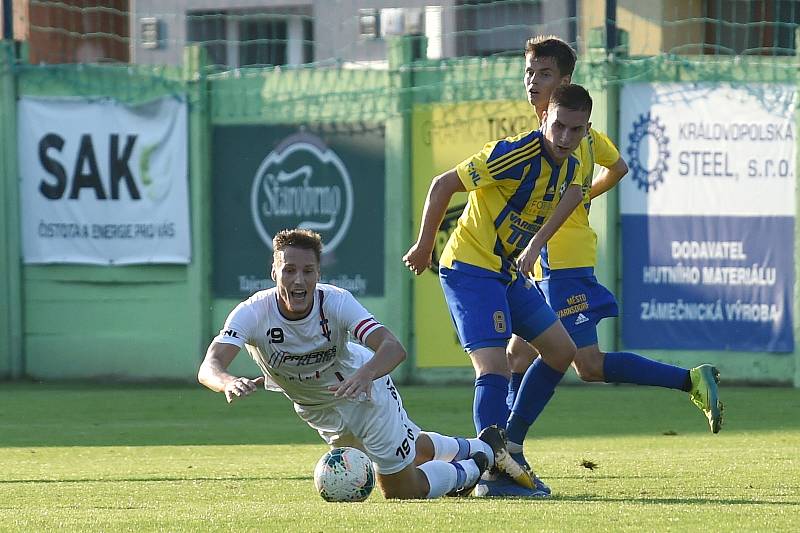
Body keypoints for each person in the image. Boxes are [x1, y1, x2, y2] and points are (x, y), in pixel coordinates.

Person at [503, 36, 723, 495]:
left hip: (563, 263)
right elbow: (618, 166)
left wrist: (572, 203)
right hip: (550, 264)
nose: (532, 81)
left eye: (544, 74)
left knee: (585, 363)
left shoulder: (566, 136)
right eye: (529, 72)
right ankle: (501, 449)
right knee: (518, 355)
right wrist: (583, 197)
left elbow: (607, 171)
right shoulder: (570, 130)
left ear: (564, 81)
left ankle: (508, 446)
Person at [198, 228, 528, 499]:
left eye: (307, 271)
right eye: (289, 270)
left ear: (318, 273)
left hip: (366, 396)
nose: (298, 280)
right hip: (319, 412)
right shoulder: (253, 313)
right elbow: (210, 365)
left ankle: (476, 466)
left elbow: (392, 348)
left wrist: (365, 375)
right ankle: (480, 446)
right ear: (274, 272)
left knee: (401, 490)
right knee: (412, 449)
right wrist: (226, 381)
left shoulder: (336, 302)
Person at [403, 83, 594, 497]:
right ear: (545, 119)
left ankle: (510, 447)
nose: (564, 137)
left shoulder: (573, 161)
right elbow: (442, 184)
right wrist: (423, 246)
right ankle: (489, 474)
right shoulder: (512, 154)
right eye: (558, 126)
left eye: (575, 130)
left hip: (506, 271)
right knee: (494, 367)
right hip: (471, 267)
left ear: (586, 130)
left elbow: (575, 192)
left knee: (562, 351)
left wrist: (536, 243)